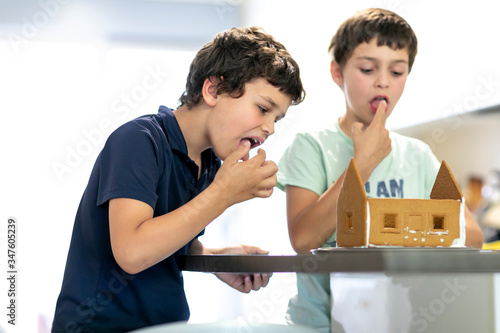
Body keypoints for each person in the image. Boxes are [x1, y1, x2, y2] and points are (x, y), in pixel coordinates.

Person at [52, 26, 305, 333]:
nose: (270, 128)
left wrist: (216, 260)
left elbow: (172, 242)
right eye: (263, 109)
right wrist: (224, 193)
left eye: (277, 118)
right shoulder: (139, 141)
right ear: (212, 90)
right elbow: (133, 253)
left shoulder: (209, 162)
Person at [276, 8, 483, 332]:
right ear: (337, 71)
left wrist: (403, 243)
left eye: (397, 72)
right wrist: (364, 163)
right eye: (368, 68)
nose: (383, 81)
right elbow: (303, 239)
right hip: (318, 324)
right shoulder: (311, 146)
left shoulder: (418, 154)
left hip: (397, 322)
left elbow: (471, 236)